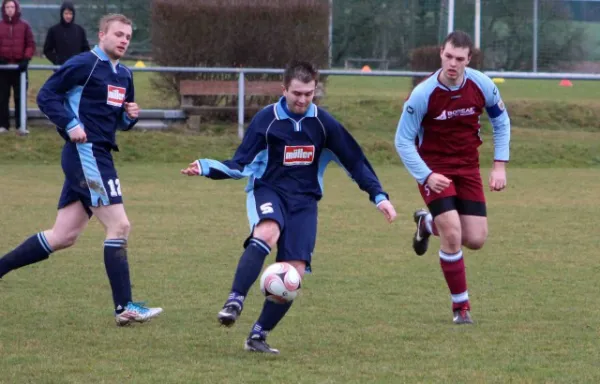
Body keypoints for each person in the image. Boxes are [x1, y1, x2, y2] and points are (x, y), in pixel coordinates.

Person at [181, 61, 398, 354]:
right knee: (267, 231)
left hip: (304, 202)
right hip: (268, 189)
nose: (303, 99)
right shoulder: (266, 120)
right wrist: (207, 166)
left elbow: (355, 161)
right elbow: (240, 164)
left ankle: (258, 336)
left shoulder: (323, 124)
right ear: (284, 89)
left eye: (309, 93)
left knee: (293, 274)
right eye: (297, 93)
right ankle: (235, 300)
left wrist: (378, 196)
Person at [0, 14, 162, 326]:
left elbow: (120, 121)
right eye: (118, 34)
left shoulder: (125, 75)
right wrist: (71, 124)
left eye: (128, 36)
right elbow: (47, 95)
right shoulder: (83, 64)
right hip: (86, 154)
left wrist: (131, 116)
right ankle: (124, 307)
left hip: (100, 154)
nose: (124, 40)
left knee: (64, 236)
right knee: (120, 226)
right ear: (102, 35)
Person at [395, 30, 511, 325]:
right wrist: (426, 175)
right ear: (441, 55)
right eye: (448, 56)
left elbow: (501, 121)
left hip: (468, 167)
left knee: (475, 239)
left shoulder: (481, 84)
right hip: (434, 169)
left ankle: (426, 223)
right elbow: (403, 141)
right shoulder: (423, 94)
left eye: (459, 58)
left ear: (468, 59)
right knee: (452, 234)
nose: (453, 63)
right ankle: (461, 308)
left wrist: (499, 165)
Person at [0, 0, 35, 135]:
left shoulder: (25, 26)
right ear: (4, 9)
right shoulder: (0, 25)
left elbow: (30, 44)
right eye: (7, 7)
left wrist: (26, 58)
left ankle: (21, 125)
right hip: (3, 69)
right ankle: (3, 125)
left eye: (12, 7)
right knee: (2, 97)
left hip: (19, 69)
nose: (10, 9)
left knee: (20, 97)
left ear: (16, 8)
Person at [43, 1, 90, 66]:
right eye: (66, 13)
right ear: (62, 14)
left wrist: (81, 60)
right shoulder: (53, 30)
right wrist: (56, 60)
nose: (68, 16)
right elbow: (47, 50)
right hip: (60, 67)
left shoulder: (80, 30)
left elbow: (86, 49)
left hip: (77, 67)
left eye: (70, 14)